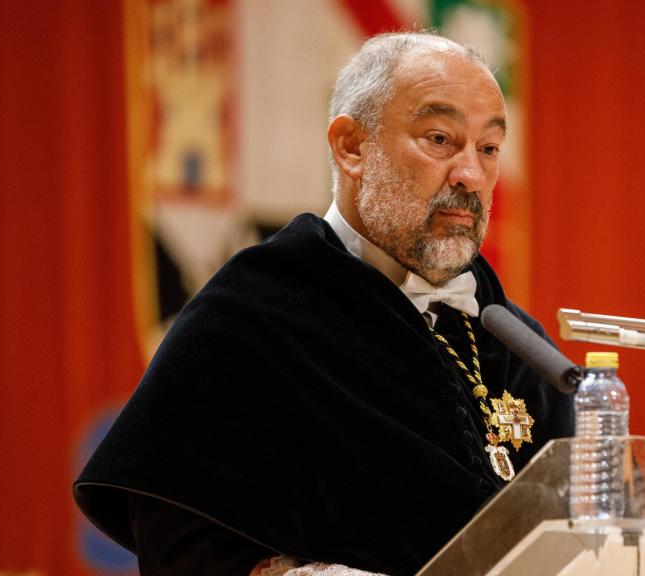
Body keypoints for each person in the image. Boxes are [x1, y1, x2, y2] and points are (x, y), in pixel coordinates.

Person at [74, 31, 574, 576]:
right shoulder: (247, 320)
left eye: (489, 148)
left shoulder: (521, 348)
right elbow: (188, 553)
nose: (471, 175)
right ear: (352, 147)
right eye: (439, 138)